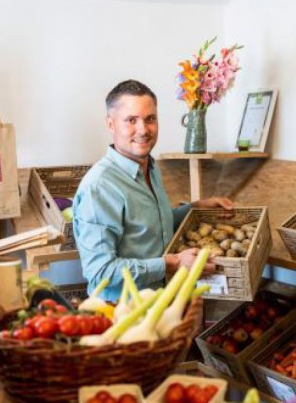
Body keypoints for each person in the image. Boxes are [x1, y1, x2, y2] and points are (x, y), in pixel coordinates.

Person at [73, 80, 234, 302]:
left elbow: (151, 227)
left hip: (163, 305)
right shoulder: (99, 186)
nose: (143, 130)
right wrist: (173, 262)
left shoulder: (149, 166)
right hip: (122, 316)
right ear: (110, 124)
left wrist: (194, 208)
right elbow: (101, 272)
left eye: (150, 119)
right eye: (131, 120)